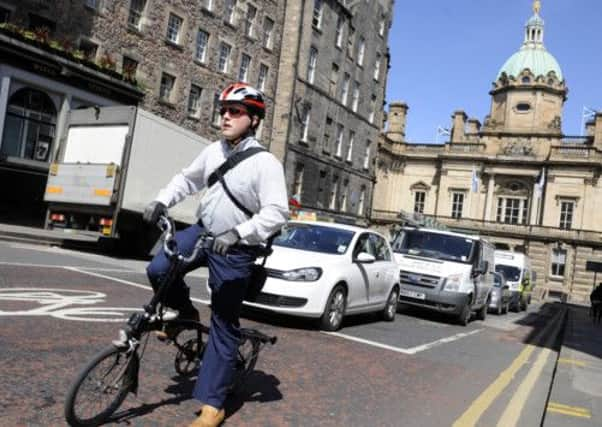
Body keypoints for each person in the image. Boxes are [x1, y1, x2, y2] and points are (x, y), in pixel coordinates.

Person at [143, 82, 288, 427]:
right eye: (223, 110)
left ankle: (213, 405)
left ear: (253, 119)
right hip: (202, 231)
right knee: (158, 268)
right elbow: (188, 179)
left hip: (235, 248)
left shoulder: (266, 163)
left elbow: (277, 212)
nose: (225, 116)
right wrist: (162, 199)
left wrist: (240, 232)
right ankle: (184, 310)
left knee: (223, 322)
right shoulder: (213, 151)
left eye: (234, 111)